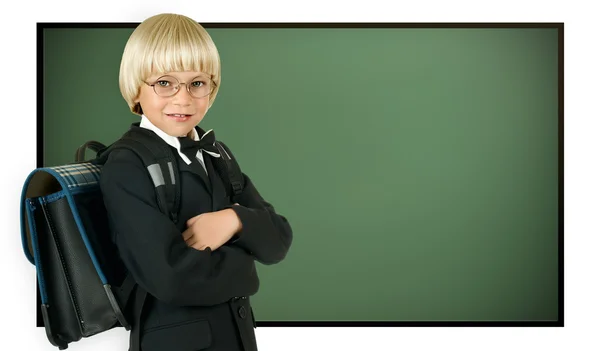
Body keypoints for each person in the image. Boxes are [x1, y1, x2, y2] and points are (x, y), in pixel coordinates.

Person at [99, 13, 293, 351]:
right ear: (136, 87)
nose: (183, 99)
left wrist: (233, 220)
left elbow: (277, 239)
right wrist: (247, 268)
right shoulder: (127, 164)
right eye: (164, 82)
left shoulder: (216, 152)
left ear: (212, 88)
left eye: (197, 83)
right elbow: (172, 278)